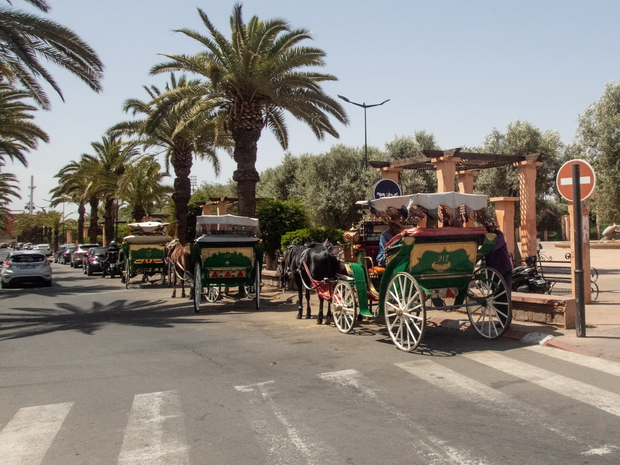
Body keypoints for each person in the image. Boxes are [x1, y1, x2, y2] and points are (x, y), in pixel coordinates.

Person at [484, 225, 512, 290]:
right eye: (488, 227)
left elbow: (495, 246)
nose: (490, 229)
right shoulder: (486, 235)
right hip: (493, 267)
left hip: (503, 266)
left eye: (492, 227)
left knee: (505, 290)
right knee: (495, 289)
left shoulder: (499, 234)